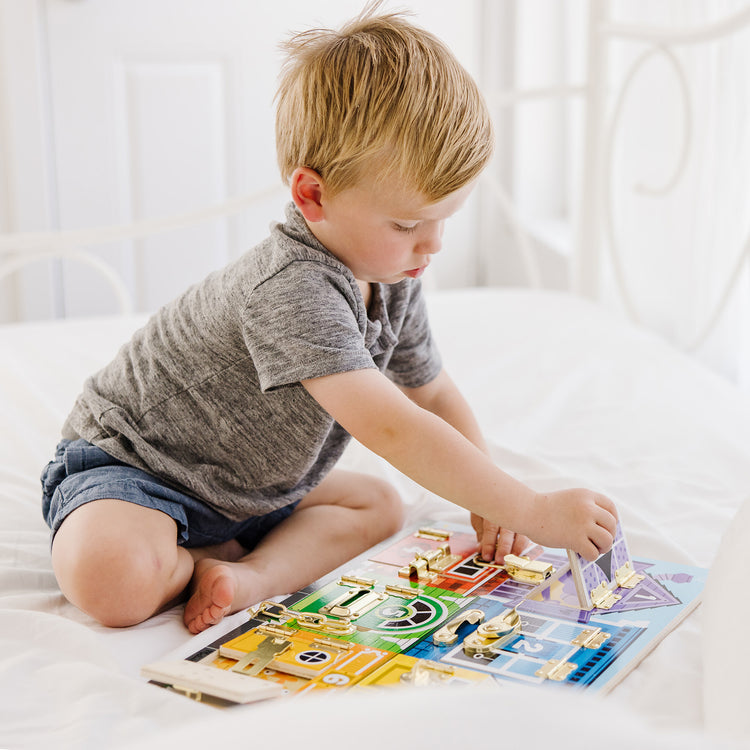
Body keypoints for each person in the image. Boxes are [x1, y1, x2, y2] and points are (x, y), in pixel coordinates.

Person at [41, 4, 617, 635]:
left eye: (443, 219)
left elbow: (432, 393)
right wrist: (530, 507)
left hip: (252, 494)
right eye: (406, 224)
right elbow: (394, 428)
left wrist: (492, 499)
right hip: (141, 471)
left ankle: (247, 576)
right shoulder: (291, 288)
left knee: (376, 505)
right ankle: (203, 555)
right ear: (312, 195)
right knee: (109, 580)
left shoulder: (391, 277)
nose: (433, 246)